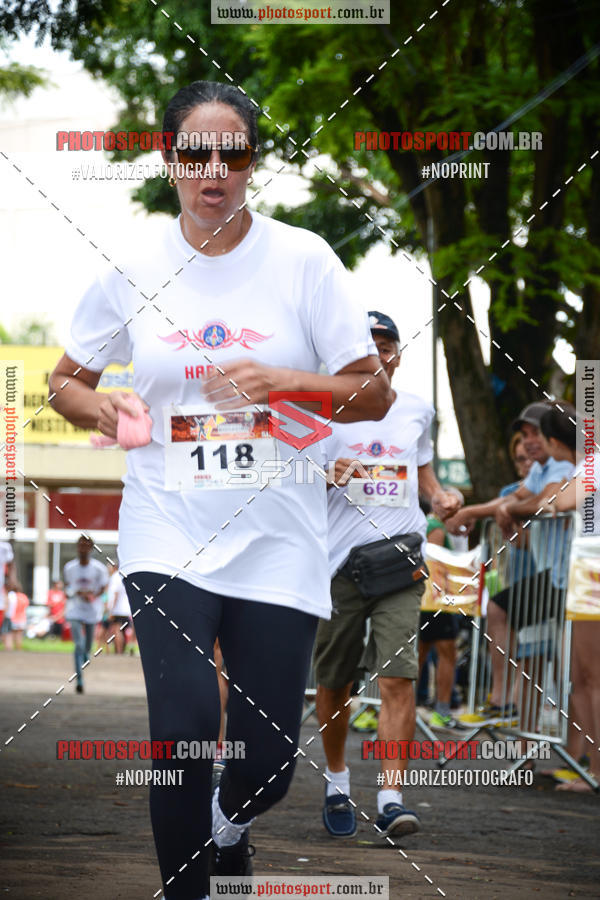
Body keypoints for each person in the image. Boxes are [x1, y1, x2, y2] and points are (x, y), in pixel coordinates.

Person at [49, 80, 393, 900]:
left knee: (267, 765)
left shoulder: (304, 259)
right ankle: (189, 890)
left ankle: (228, 825)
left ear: (252, 165)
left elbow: (370, 392)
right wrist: (104, 405)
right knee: (183, 730)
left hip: (279, 537)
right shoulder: (133, 271)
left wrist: (281, 380)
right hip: (168, 527)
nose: (214, 171)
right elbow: (63, 384)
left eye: (231, 154)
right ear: (168, 159)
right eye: (195, 153)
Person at [314, 311, 461, 840]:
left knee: (400, 677)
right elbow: (291, 477)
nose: (379, 351)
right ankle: (336, 781)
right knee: (335, 684)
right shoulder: (325, 411)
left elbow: (424, 477)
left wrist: (441, 496)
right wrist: (325, 475)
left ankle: (392, 799)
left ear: (399, 353)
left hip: (401, 559)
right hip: (338, 565)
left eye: (387, 343)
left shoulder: (419, 410)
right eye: (369, 342)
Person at [447, 402, 574, 718]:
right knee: (561, 665)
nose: (531, 441)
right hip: (552, 577)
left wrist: (507, 512)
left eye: (537, 434)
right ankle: (511, 711)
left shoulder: (564, 465)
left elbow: (546, 502)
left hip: (567, 578)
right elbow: (513, 498)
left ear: (553, 438)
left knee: (574, 670)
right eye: (525, 435)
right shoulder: (545, 467)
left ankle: (506, 702)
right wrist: (471, 512)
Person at [537, 405, 600, 791]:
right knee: (580, 677)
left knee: (592, 677)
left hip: (594, 573)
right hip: (585, 575)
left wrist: (551, 494)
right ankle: (593, 769)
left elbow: (557, 503)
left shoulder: (591, 463)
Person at [418, 505, 464, 730]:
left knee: (419, 655)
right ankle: (442, 712)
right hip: (436, 599)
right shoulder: (436, 528)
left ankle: (405, 710)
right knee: (446, 655)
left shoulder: (428, 523)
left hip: (424, 598)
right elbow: (433, 562)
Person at [63, 536, 109, 693]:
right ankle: (80, 679)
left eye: (87, 545)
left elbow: (103, 587)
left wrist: (93, 595)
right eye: (81, 545)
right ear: (77, 547)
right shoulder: (69, 567)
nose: (83, 548)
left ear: (91, 548)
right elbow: (68, 586)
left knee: (87, 647)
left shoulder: (99, 569)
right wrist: (76, 592)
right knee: (79, 644)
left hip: (92, 610)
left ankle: (85, 658)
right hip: (74, 609)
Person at [107, 562, 131, 654]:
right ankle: (122, 650)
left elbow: (115, 594)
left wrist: (111, 610)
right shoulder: (124, 576)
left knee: (117, 630)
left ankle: (119, 651)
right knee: (123, 630)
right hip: (126, 609)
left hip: (118, 609)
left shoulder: (115, 577)